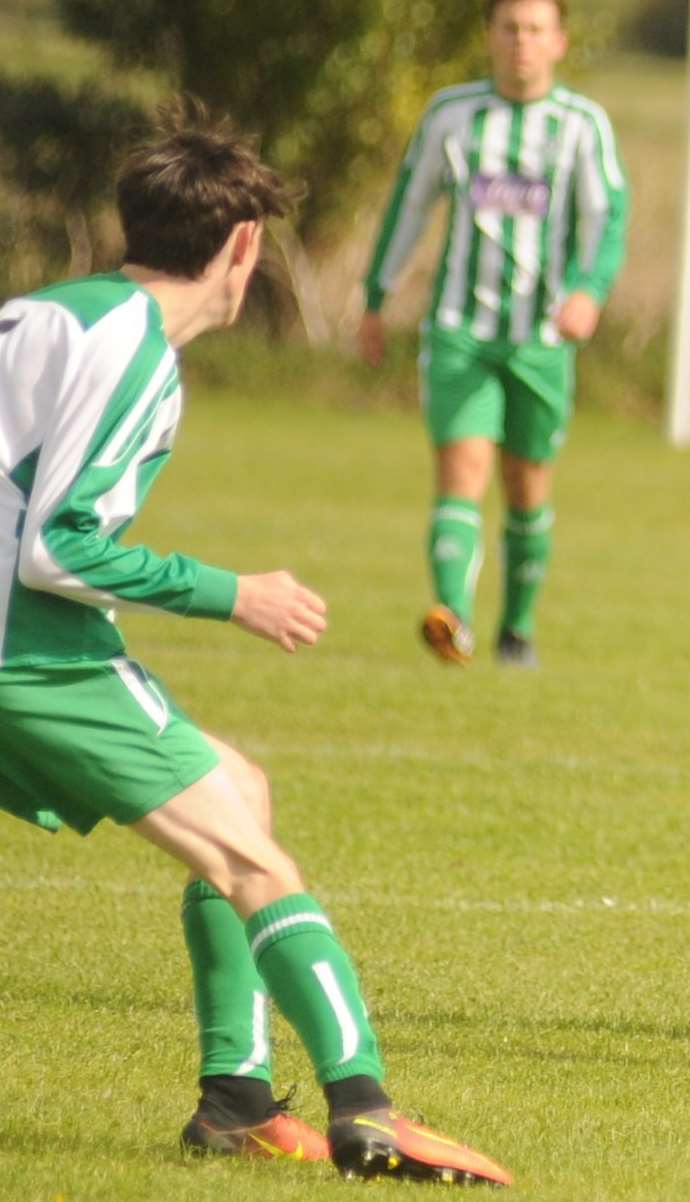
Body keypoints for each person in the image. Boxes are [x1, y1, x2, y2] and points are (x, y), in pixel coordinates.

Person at [0, 106, 511, 1185]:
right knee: (253, 860)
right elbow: (56, 545)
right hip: (28, 653)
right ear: (242, 247)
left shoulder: (40, 312)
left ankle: (234, 1101)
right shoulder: (138, 354)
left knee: (242, 786)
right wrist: (234, 592)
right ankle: (366, 1104)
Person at [360, 0, 630, 668]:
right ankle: (451, 616)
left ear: (559, 41)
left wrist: (588, 293)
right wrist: (375, 296)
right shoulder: (452, 116)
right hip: (460, 330)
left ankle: (517, 628)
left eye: (535, 30)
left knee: (526, 484)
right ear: (488, 36)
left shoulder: (582, 126)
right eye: (509, 28)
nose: (521, 43)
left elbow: (609, 217)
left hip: (540, 339)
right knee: (462, 469)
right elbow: (409, 203)